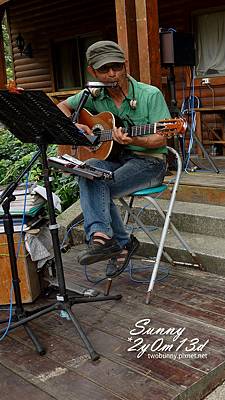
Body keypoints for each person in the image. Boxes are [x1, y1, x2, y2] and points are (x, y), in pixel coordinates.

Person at [57, 40, 171, 277]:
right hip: (117, 160)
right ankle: (115, 240)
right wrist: (75, 125)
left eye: (117, 67)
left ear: (125, 65)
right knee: (89, 169)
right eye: (104, 69)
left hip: (149, 163)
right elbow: (61, 108)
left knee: (99, 183)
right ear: (92, 71)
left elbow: (161, 139)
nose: (112, 74)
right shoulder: (93, 95)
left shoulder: (150, 94)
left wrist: (135, 140)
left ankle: (111, 240)